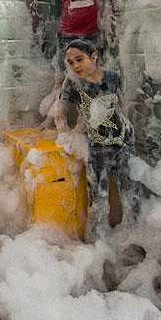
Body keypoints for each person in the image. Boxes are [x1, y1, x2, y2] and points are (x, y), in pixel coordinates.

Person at [55, 39, 140, 241]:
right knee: (98, 198)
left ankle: (134, 239)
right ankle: (99, 245)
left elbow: (120, 105)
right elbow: (60, 114)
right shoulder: (72, 83)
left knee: (131, 194)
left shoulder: (113, 77)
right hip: (97, 147)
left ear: (93, 57)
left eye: (79, 59)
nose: (75, 66)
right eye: (70, 63)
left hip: (123, 142)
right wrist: (66, 138)